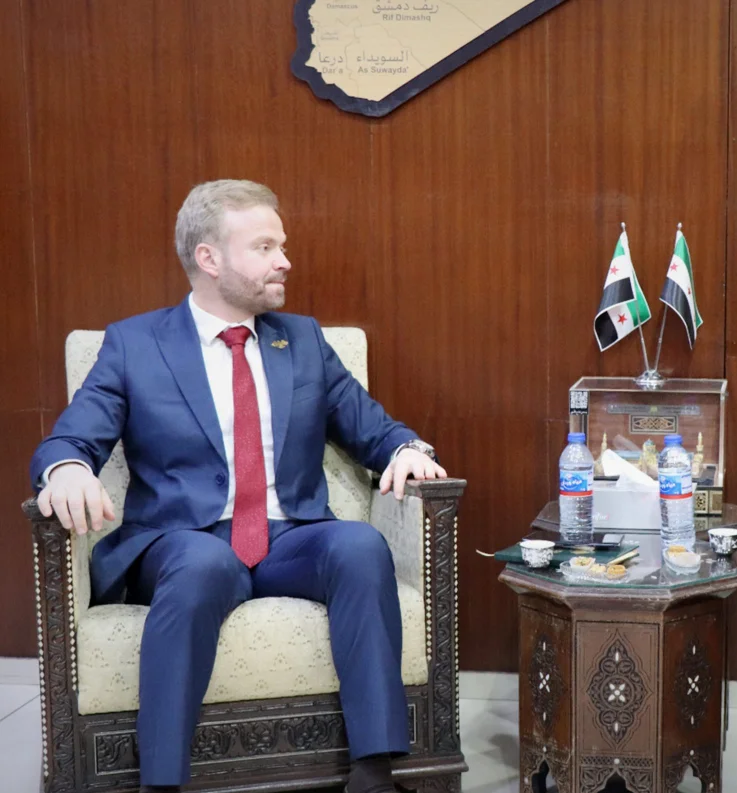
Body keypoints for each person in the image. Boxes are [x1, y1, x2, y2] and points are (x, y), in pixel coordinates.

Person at [29, 180, 446, 793]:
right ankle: (161, 783)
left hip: (289, 537)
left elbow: (374, 429)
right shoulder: (135, 344)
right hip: (181, 540)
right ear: (209, 258)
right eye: (265, 246)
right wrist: (66, 468)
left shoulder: (301, 340)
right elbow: (71, 438)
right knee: (202, 564)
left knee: (360, 545)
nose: (285, 260)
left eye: (283, 245)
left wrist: (408, 450)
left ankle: (374, 770)